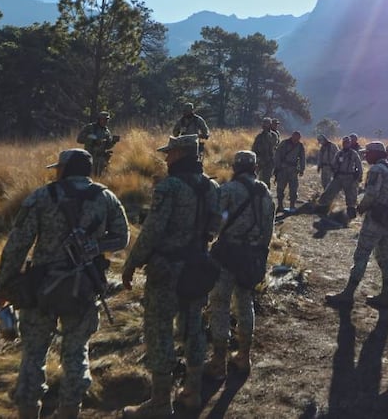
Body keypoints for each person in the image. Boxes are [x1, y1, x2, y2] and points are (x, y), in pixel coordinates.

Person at [0, 149, 129, 419]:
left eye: (58, 168)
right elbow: (122, 238)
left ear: (65, 169)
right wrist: (95, 246)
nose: (55, 172)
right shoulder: (106, 197)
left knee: (33, 356)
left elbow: (17, 245)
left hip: (40, 288)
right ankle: (70, 411)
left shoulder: (43, 196)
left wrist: (5, 287)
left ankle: (29, 411)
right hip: (85, 286)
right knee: (77, 354)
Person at [121, 134, 221, 417]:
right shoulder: (212, 187)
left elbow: (152, 230)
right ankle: (192, 392)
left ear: (180, 154)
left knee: (159, 330)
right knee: (194, 328)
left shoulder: (169, 187)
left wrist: (131, 263)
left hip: (167, 271)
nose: (166, 158)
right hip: (197, 267)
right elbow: (216, 222)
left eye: (170, 153)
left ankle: (160, 403)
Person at [206, 151, 275, 380]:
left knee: (220, 303)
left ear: (235, 167)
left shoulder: (227, 190)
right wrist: (260, 256)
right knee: (245, 302)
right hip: (251, 256)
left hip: (227, 254)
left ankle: (218, 362)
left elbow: (215, 222)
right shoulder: (265, 192)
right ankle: (244, 356)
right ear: (255, 167)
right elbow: (268, 230)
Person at [324, 142, 388, 309]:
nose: (365, 156)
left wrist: (360, 208)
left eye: (368, 153)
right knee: (385, 256)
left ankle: (348, 294)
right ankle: (386, 295)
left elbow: (371, 194)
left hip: (375, 218)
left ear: (376, 153)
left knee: (362, 254)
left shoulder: (376, 170)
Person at [315, 136, 363, 226]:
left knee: (351, 198)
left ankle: (350, 217)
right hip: (339, 177)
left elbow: (359, 166)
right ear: (342, 143)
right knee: (328, 192)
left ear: (350, 143)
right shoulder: (339, 153)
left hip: (350, 177)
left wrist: (359, 176)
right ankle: (322, 210)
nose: (346, 144)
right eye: (344, 142)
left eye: (348, 142)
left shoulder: (353, 154)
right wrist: (334, 171)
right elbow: (334, 164)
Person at [76, 111, 118, 177]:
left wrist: (113, 141)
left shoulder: (106, 131)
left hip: (101, 160)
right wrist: (93, 141)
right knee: (90, 177)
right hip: (90, 157)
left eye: (107, 120)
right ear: (99, 119)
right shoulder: (90, 128)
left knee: (101, 178)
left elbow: (107, 146)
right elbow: (79, 139)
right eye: (103, 119)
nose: (105, 121)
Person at [273, 131, 306, 212]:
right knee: (280, 188)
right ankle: (280, 206)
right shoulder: (284, 143)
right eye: (296, 137)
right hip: (283, 169)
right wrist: (278, 167)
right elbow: (277, 155)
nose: (297, 139)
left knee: (294, 189)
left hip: (293, 170)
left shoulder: (300, 146)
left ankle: (292, 206)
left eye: (298, 138)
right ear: (292, 136)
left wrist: (302, 169)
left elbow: (302, 158)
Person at [251, 118, 279, 187]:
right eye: (264, 124)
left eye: (267, 124)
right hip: (260, 160)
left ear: (270, 125)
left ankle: (265, 194)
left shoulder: (274, 135)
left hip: (269, 161)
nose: (265, 126)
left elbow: (274, 145)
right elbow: (254, 148)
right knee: (254, 178)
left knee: (266, 180)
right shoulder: (259, 136)